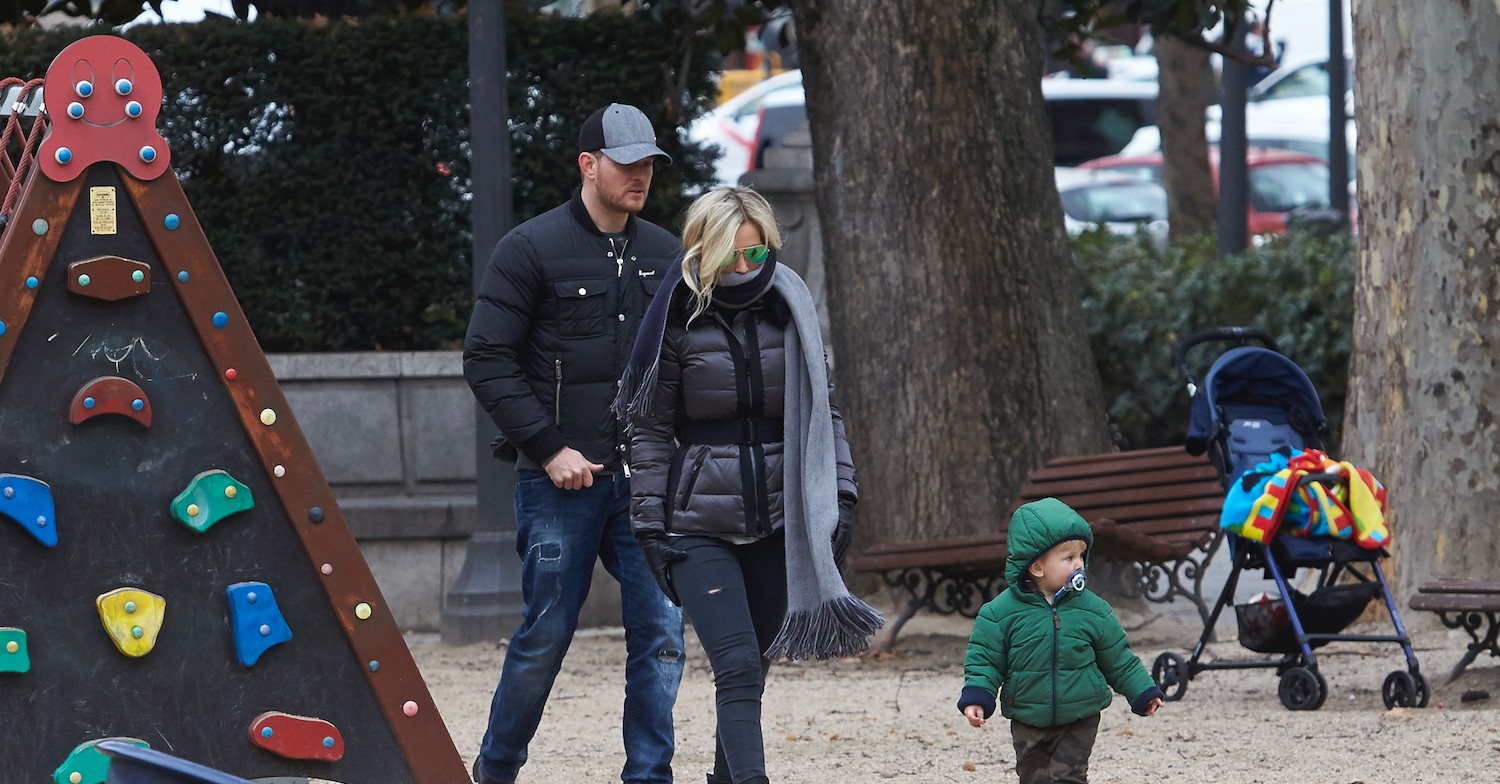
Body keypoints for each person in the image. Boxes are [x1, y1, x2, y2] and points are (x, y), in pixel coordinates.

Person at [614, 186, 883, 784]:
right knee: (735, 667)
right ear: (703, 251)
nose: (744, 269)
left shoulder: (791, 307)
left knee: (750, 674)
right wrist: (649, 523)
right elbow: (650, 429)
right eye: (730, 256)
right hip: (697, 524)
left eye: (756, 256)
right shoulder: (675, 319)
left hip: (781, 520)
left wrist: (840, 497)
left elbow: (825, 412)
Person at [463, 103, 686, 784]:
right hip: (560, 482)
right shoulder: (529, 248)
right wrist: (549, 448)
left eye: (649, 162)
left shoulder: (667, 252)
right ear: (589, 165)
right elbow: (486, 358)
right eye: (627, 163)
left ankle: (649, 776)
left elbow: (686, 357)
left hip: (647, 484)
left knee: (663, 637)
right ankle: (495, 770)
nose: (641, 175)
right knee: (545, 637)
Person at [957, 498, 1163, 784]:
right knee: (1033, 777)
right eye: (1068, 559)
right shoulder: (1000, 613)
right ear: (1036, 567)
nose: (1079, 564)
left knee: (1069, 776)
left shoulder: (1093, 609)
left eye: (1081, 556)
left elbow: (1117, 658)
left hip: (1080, 715)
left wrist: (1142, 691)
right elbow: (986, 659)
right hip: (1028, 715)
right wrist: (978, 695)